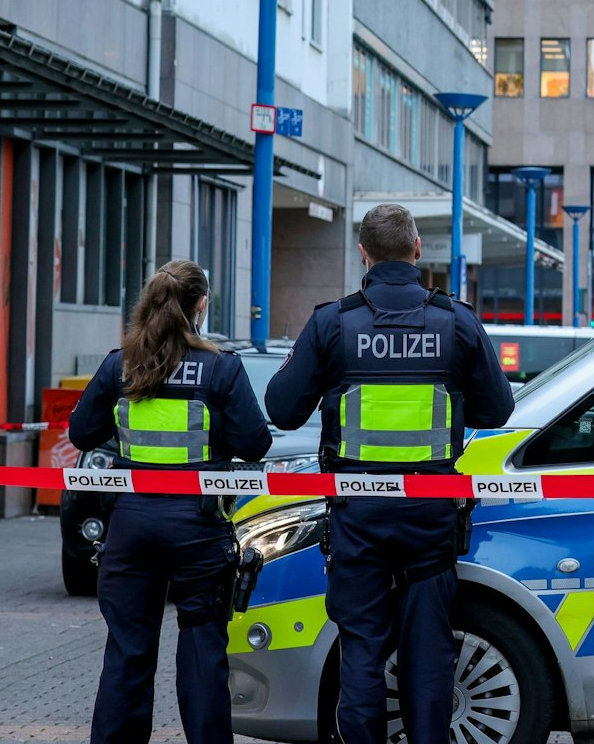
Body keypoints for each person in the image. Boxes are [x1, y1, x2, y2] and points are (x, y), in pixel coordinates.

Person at [265, 203, 515, 744]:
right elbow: (498, 411)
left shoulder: (333, 322)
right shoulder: (456, 321)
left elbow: (281, 409)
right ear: (417, 249)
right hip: (429, 517)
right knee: (428, 655)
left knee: (360, 650)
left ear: (364, 253)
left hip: (357, 515)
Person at [69, 260, 273, 744]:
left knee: (128, 651)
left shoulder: (120, 364)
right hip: (197, 531)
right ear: (200, 304)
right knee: (203, 650)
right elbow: (257, 443)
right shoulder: (221, 368)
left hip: (131, 526)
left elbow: (81, 432)